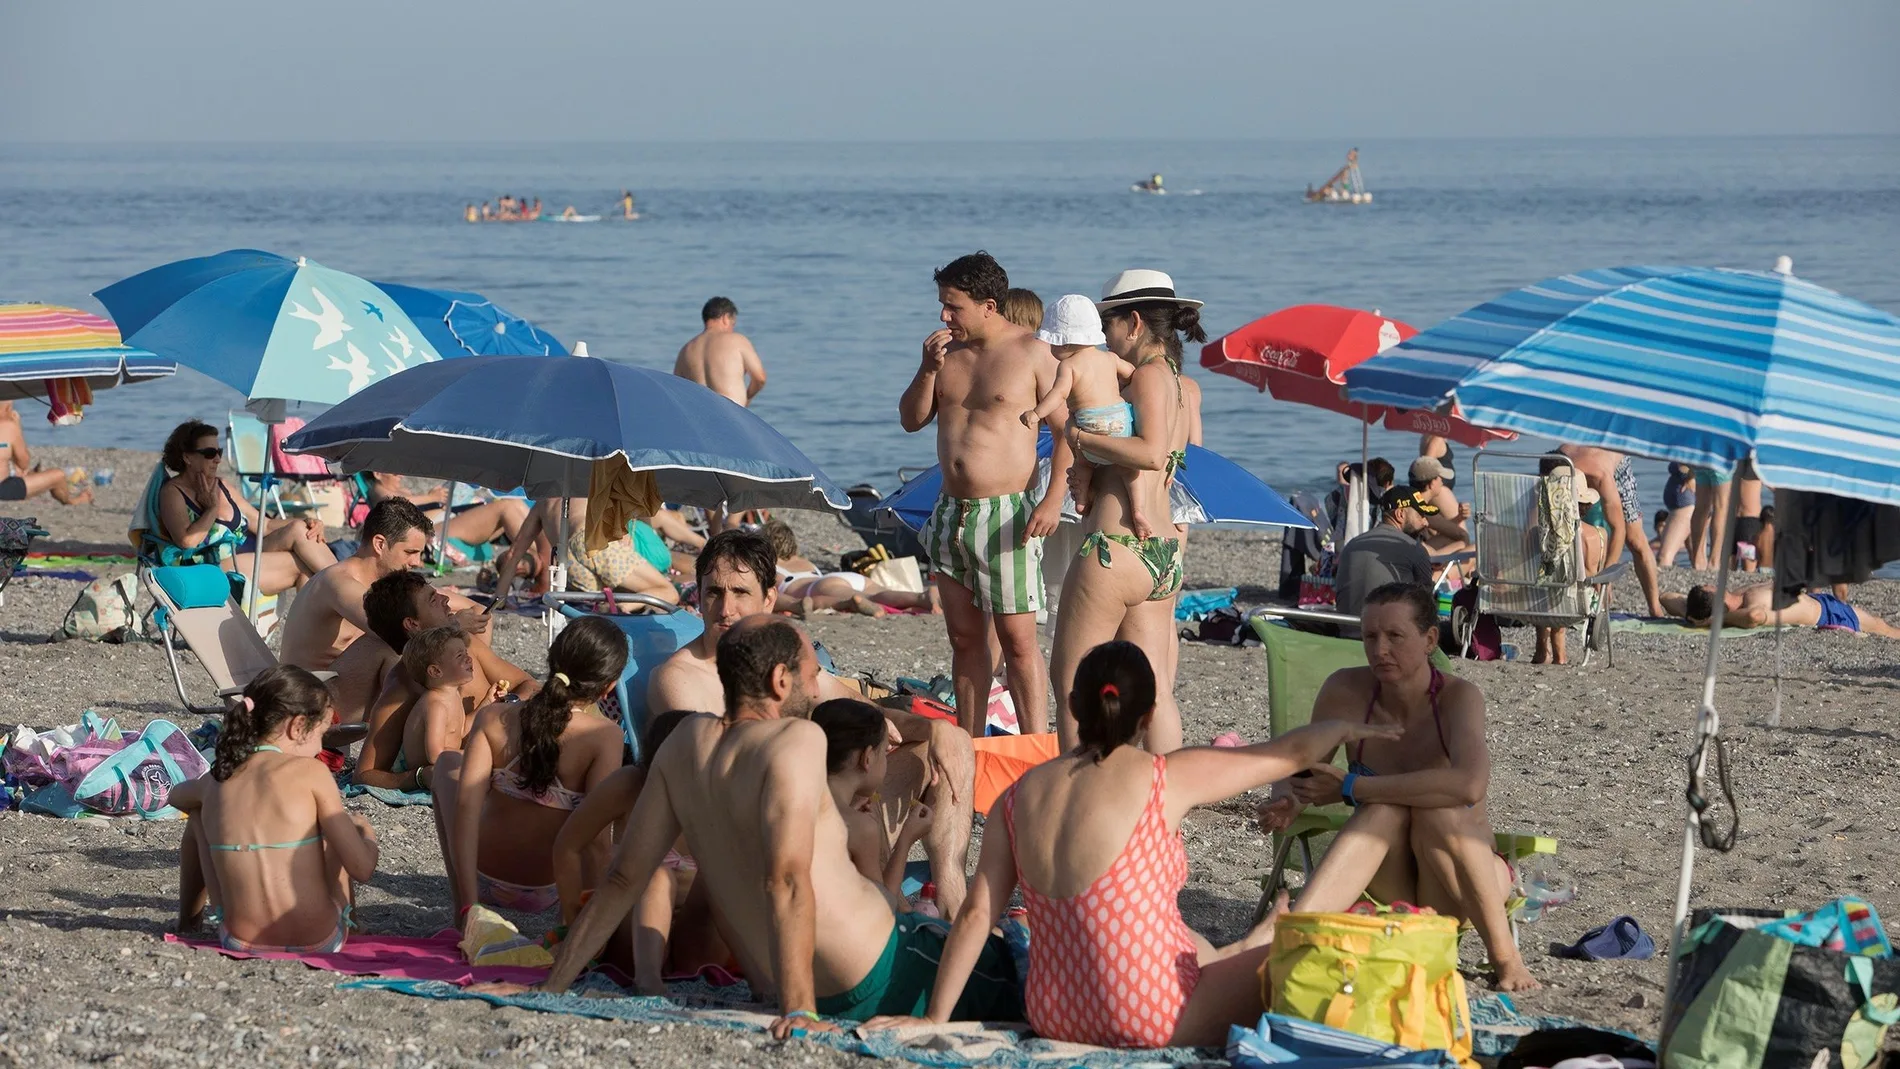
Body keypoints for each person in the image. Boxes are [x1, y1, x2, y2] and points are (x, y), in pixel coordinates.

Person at [865, 641, 1399, 1046]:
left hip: (1054, 1013)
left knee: (1175, 927)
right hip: (1150, 1012)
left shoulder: (1019, 793)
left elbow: (978, 911)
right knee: (1301, 956)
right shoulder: (1165, 777)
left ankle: (1242, 946)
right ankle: (1256, 944)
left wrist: (934, 1019)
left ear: (1073, 708)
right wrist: (1348, 724)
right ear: (1148, 717)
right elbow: (1287, 753)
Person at [526, 616, 1022, 1037]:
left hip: (818, 979)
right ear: (781, 682)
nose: (815, 687)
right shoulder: (796, 738)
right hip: (884, 966)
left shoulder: (682, 744)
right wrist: (799, 1012)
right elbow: (786, 878)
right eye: (812, 674)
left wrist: (553, 986)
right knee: (1026, 968)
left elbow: (623, 878)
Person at [647, 530, 975, 917]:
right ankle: (892, 907)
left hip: (815, 809)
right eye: (714, 592)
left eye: (740, 592)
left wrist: (934, 729)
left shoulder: (781, 655)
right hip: (755, 835)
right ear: (698, 596)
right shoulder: (679, 678)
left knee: (950, 743)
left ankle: (953, 900)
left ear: (769, 598)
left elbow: (864, 708)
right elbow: (719, 781)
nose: (725, 609)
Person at [1258, 583, 1539, 991]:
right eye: (1370, 636)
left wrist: (1354, 787)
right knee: (1383, 810)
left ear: (1428, 640)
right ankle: (1290, 934)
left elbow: (1469, 785)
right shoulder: (1346, 691)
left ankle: (1506, 958)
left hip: (1462, 881)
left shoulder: (1458, 698)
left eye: (1394, 636)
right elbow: (1304, 766)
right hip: (1388, 881)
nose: (1379, 649)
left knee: (1436, 810)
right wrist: (1288, 798)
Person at [899, 251, 1068, 737]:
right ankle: (970, 747)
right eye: (942, 305)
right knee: (963, 640)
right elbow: (911, 420)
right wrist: (927, 369)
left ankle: (1034, 746)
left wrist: (1053, 498)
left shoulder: (1033, 355)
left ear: (988, 305)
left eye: (953, 306)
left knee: (1017, 643)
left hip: (1008, 516)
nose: (943, 316)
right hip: (950, 513)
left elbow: (1066, 435)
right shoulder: (945, 354)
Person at [1048, 269, 1198, 755]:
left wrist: (1081, 440)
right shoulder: (1178, 382)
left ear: (1132, 322)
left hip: (1116, 548)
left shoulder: (1150, 376)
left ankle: (1070, 795)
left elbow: (1151, 453)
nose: (1102, 339)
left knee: (1071, 677)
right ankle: (1161, 799)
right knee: (1153, 688)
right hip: (1161, 552)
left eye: (1106, 325)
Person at [172, 666, 379, 953]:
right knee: (339, 827)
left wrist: (217, 804)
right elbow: (363, 869)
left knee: (197, 816)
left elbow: (175, 796)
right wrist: (367, 837)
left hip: (239, 939)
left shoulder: (216, 778)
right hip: (320, 938)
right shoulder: (311, 772)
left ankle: (188, 924)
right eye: (321, 734)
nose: (321, 747)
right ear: (297, 727)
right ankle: (353, 925)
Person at [446, 616, 628, 920]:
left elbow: (465, 807)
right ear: (608, 686)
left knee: (446, 765)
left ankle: (461, 904)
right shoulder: (604, 735)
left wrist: (468, 908)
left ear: (552, 658)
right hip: (550, 889)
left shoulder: (493, 717)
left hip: (481, 878)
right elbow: (597, 840)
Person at [546, 711, 729, 979]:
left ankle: (690, 976)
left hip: (693, 939)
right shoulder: (630, 785)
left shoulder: (719, 798)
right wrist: (574, 918)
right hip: (629, 932)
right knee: (656, 877)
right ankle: (649, 981)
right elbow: (568, 845)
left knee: (719, 884)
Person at [352, 570, 536, 786]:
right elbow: (364, 774)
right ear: (412, 624)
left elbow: (530, 685)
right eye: (433, 599)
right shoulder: (402, 686)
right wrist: (420, 777)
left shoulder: (467, 646)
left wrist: (512, 705)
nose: (446, 598)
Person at [278, 498, 469, 673]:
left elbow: (474, 607)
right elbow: (395, 635)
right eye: (410, 552)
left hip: (343, 687)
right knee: (383, 646)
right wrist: (455, 624)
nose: (417, 562)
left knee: (463, 642)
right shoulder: (338, 583)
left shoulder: (388, 587)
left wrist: (470, 619)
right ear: (380, 544)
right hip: (309, 693)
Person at [152, 420, 334, 597]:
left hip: (244, 557)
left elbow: (265, 525)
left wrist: (308, 522)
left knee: (299, 529)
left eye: (219, 452)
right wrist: (211, 509)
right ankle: (348, 591)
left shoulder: (221, 485)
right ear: (187, 457)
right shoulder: (172, 492)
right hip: (207, 569)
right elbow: (187, 542)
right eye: (209, 453)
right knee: (304, 568)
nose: (217, 459)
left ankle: (347, 587)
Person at [1024, 294, 1155, 536]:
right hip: (1119, 423)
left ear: (1063, 343)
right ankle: (1139, 510)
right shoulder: (1109, 358)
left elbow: (1057, 396)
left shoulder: (1068, 366)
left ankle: (1081, 500)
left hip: (1090, 424)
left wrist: (1035, 413)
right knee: (1130, 471)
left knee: (1082, 463)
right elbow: (1132, 374)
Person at [812, 698, 935, 904]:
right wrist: (906, 840)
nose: (885, 762)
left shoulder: (792, 802)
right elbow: (884, 905)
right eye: (885, 752)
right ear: (867, 758)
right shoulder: (859, 828)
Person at [1562, 445, 1666, 618]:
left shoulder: (1601, 477)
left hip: (1615, 465)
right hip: (1578, 460)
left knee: (1635, 540)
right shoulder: (1554, 469)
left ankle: (1655, 609)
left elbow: (1619, 528)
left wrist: (1606, 575)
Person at [764, 518, 936, 617]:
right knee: (881, 593)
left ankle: (919, 599)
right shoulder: (803, 561)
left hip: (821, 586)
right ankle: (920, 598)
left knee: (869, 598)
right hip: (848, 577)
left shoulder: (773, 567)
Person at [1532, 458, 1606, 665]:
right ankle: (1559, 656)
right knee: (1567, 588)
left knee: (1549, 585)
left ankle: (1542, 649)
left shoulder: (1539, 535)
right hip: (1582, 604)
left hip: (1538, 602)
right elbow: (1598, 577)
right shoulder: (1598, 535)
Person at [1334, 488, 1433, 628]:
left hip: (1346, 634)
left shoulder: (1352, 545)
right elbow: (1425, 606)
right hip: (1387, 640)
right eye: (1421, 515)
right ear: (1400, 514)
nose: (1426, 523)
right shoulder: (1413, 548)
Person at [1667, 582, 1900, 638]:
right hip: (1827, 613)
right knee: (1882, 627)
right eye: (1711, 585)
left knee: (1880, 623)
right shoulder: (1749, 606)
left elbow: (1665, 597)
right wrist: (1714, 620)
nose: (1714, 582)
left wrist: (1691, 614)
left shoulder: (1738, 594)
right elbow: (1754, 617)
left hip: (1817, 599)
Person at [399, 626, 477, 775]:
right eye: (460, 656)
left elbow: (459, 731)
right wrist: (474, 756)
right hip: (429, 770)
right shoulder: (435, 705)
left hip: (445, 763)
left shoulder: (452, 695)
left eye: (466, 653)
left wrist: (488, 702)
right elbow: (435, 755)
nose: (469, 658)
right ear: (435, 671)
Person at [675, 297, 766, 409]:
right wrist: (748, 398)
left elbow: (676, 389)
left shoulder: (686, 350)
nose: (732, 329)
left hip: (700, 417)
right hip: (731, 415)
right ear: (725, 318)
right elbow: (760, 378)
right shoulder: (737, 341)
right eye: (733, 324)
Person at [1406, 457, 1469, 554]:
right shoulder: (1423, 509)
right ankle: (1440, 566)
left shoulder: (1408, 501)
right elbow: (1461, 534)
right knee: (1464, 542)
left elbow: (1445, 529)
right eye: (1440, 478)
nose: (1442, 482)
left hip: (1410, 552)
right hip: (1420, 557)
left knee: (1450, 537)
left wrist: (1459, 518)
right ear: (1431, 484)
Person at [1654, 463, 1696, 568]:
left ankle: (1661, 584)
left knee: (1663, 557)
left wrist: (1692, 476)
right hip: (1684, 503)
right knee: (1695, 556)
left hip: (1686, 504)